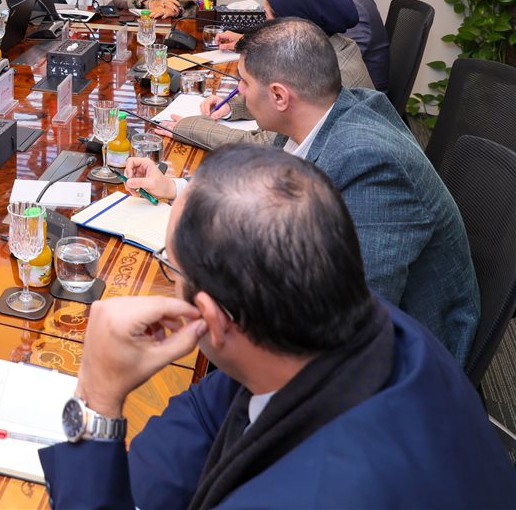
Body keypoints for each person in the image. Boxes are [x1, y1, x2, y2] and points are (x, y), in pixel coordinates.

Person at [40, 146, 514, 510]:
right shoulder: (369, 321)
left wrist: (97, 398)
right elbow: (213, 408)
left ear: (212, 317)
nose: (170, 277)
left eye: (171, 267)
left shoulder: (305, 496)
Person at [126, 18, 479, 364]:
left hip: (406, 360)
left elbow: (358, 317)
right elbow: (269, 190)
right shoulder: (318, 114)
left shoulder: (370, 163)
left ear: (280, 96)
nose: (239, 93)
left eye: (244, 82)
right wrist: (176, 187)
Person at [170, 0, 373, 149]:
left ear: (292, 26)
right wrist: (232, 107)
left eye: (267, 17)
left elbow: (269, 145)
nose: (263, 26)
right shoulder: (331, 47)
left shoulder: (331, 75)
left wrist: (193, 128)